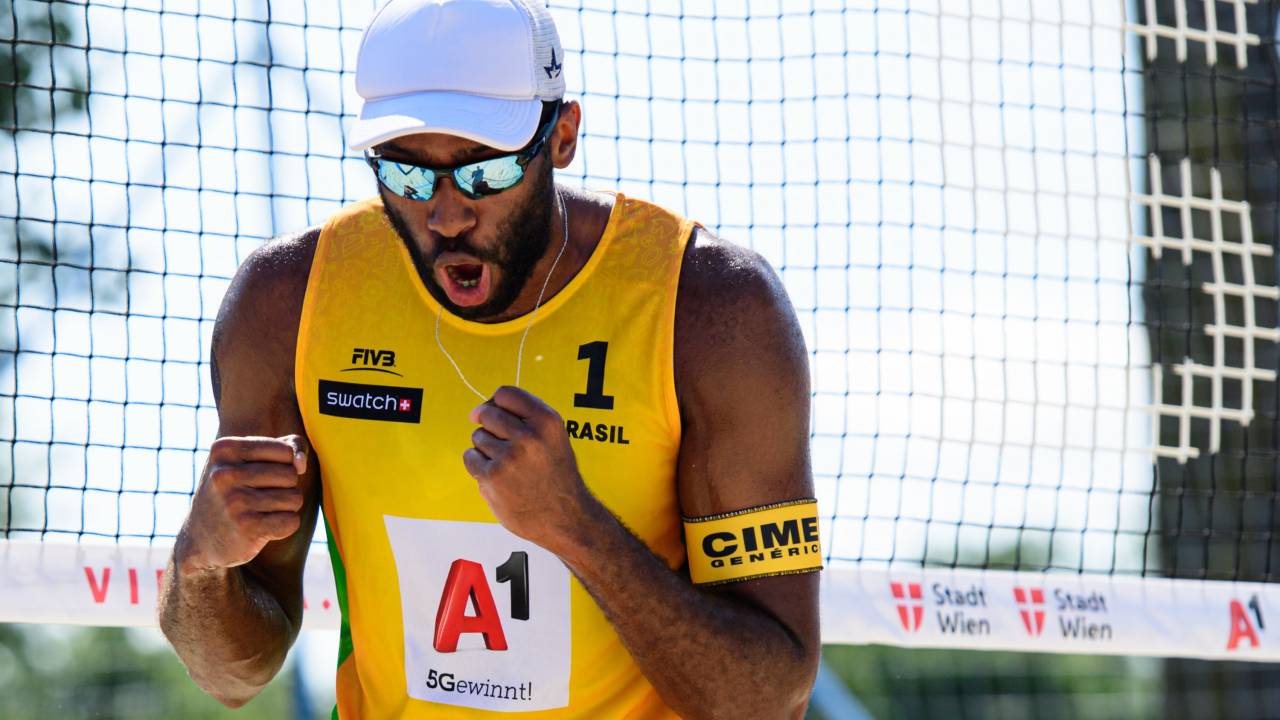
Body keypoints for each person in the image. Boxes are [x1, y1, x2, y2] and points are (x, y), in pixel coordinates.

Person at [157, 0, 821, 717]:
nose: (445, 215)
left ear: (562, 136)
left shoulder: (711, 310)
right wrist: (201, 563)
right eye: (407, 177)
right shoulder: (289, 302)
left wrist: (576, 527)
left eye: (483, 174)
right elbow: (234, 675)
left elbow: (766, 701)